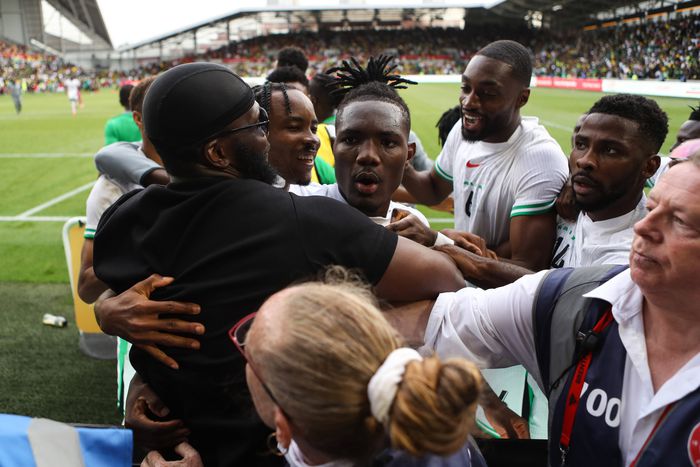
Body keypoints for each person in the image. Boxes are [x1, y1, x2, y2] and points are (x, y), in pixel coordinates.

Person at [91, 62, 464, 467]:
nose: (264, 136)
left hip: (173, 449)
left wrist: (105, 310)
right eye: (255, 125)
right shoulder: (305, 223)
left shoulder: (125, 219)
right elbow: (445, 278)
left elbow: (129, 283)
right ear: (217, 153)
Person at [388, 152, 700, 467]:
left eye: (680, 221)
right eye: (651, 207)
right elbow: (433, 323)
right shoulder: (569, 300)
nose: (644, 227)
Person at [401, 40, 568, 271]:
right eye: (465, 88)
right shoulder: (463, 131)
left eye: (487, 93)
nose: (468, 102)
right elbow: (432, 190)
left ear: (522, 98)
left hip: (504, 296)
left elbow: (526, 269)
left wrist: (440, 243)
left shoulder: (539, 159)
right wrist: (401, 164)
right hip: (466, 274)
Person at [252, 82, 330, 187]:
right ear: (259, 131)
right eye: (294, 127)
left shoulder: (316, 195)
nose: (313, 139)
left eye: (314, 129)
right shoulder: (236, 200)